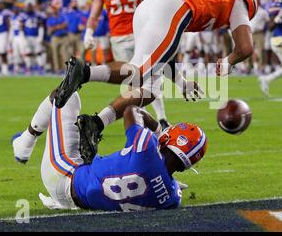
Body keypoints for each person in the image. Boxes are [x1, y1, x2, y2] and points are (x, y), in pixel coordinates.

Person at [14, 0, 257, 157]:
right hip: (173, 8)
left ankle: (96, 123)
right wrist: (229, 61)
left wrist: (181, 82)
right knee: (139, 72)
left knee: (149, 89)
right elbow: (246, 47)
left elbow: (165, 51)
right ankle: (85, 73)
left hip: (153, 4)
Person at [13, 86, 207, 211]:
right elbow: (159, 178)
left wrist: (158, 130)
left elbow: (132, 110)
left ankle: (24, 143)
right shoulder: (172, 197)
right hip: (81, 199)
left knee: (65, 95)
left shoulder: (147, 146)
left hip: (63, 174)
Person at [84, 0, 169, 129]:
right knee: (133, 82)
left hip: (141, 34)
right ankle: (140, 119)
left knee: (151, 76)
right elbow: (94, 14)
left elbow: (150, 4)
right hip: (119, 39)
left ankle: (161, 118)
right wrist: (88, 32)